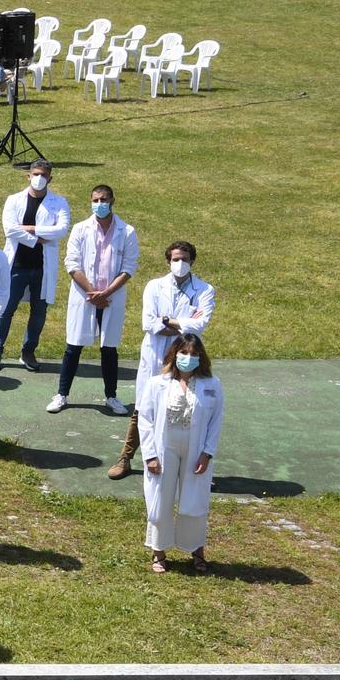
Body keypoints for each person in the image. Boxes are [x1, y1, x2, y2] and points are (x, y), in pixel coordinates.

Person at [111, 241, 216, 480]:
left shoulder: (205, 290)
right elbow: (149, 323)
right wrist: (181, 322)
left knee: (188, 405)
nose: (180, 264)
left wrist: (167, 321)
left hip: (186, 355)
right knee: (143, 407)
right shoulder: (154, 286)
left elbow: (200, 325)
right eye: (176, 259)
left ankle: (190, 462)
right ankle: (126, 457)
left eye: (185, 259)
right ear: (168, 261)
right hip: (155, 354)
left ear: (192, 261)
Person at [49, 184, 139, 415]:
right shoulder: (80, 229)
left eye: (104, 199)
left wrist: (106, 293)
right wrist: (92, 292)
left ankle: (111, 396)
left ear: (112, 201)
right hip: (84, 296)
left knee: (109, 348)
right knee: (73, 346)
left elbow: (128, 267)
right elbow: (72, 263)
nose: (100, 204)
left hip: (112, 298)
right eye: (96, 200)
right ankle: (62, 394)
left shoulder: (126, 231)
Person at [138, 335, 224, 575]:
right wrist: (150, 455)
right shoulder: (157, 383)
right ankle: (159, 550)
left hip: (196, 451)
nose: (189, 358)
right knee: (160, 499)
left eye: (194, 354)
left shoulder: (212, 384)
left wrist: (208, 453)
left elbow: (216, 421)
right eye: (184, 353)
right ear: (175, 354)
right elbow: (145, 420)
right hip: (165, 449)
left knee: (194, 500)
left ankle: (196, 549)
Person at [0, 160, 71, 372]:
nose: (39, 178)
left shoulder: (59, 202)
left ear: (50, 178)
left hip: (42, 267)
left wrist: (29, 229)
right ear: (28, 176)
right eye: (36, 174)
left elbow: (61, 230)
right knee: (5, 309)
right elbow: (10, 229)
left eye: (44, 175)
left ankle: (28, 351)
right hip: (16, 265)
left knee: (39, 312)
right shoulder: (14, 200)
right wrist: (38, 238)